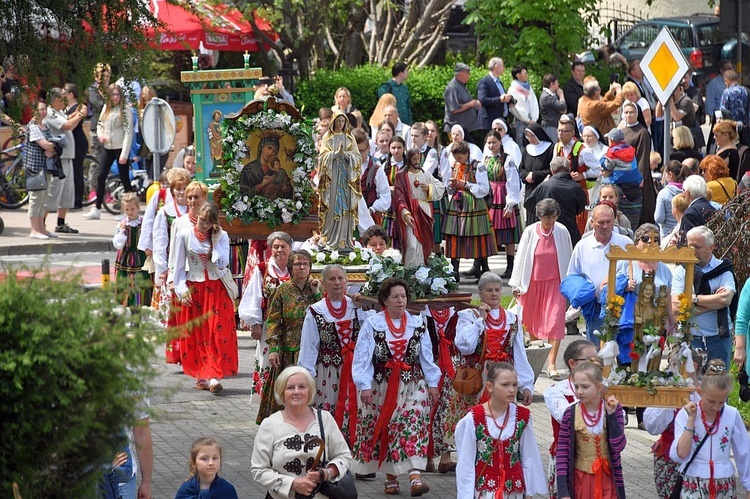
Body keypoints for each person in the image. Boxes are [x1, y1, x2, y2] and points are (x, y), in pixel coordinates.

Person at [351, 277, 440, 496]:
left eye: (403, 296)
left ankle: (415, 478)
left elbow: (427, 356)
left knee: (410, 423)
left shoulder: (418, 323)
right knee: (387, 429)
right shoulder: (373, 324)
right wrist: (363, 385)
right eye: (395, 297)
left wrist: (433, 382)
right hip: (381, 385)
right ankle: (391, 478)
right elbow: (363, 358)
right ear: (385, 301)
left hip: (412, 384)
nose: (401, 301)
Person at [251, 366, 353, 499]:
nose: (296, 392)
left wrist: (326, 473)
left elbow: (344, 456)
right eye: (290, 387)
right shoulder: (270, 425)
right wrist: (292, 484)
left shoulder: (325, 419)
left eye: (302, 387)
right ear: (281, 392)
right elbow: (258, 470)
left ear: (310, 391)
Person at [298, 265, 371, 445]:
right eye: (332, 279)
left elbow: (370, 336)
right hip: (327, 373)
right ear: (323, 284)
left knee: (358, 412)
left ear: (347, 281)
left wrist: (364, 306)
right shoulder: (315, 311)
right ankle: (329, 457)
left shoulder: (357, 307)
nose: (337, 283)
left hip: (355, 370)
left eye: (340, 278)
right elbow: (309, 346)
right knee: (328, 413)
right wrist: (305, 378)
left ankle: (357, 459)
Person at [454, 362, 547, 498]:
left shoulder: (522, 417)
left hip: (514, 491)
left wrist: (529, 492)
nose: (511, 390)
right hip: (485, 492)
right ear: (490, 387)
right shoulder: (474, 418)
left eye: (515, 385)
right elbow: (466, 462)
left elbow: (529, 456)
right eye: (505, 385)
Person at [173, 202, 238, 394]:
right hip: (195, 288)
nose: (203, 225)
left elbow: (224, 262)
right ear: (197, 217)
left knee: (217, 332)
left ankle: (213, 376)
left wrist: (215, 247)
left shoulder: (221, 236)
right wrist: (181, 290)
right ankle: (204, 375)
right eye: (201, 220)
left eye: (208, 223)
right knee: (200, 334)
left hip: (217, 287)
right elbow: (177, 266)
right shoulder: (184, 235)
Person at [510, 198, 573, 377]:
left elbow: (568, 254)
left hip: (555, 283)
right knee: (531, 322)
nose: (550, 221)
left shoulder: (561, 231)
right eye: (547, 218)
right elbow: (521, 257)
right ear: (540, 217)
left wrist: (569, 282)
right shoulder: (530, 231)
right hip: (532, 283)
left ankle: (552, 364)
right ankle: (536, 359)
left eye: (553, 217)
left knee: (555, 321)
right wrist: (516, 283)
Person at [453, 272, 535, 408]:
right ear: (480, 293)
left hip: (505, 377)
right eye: (489, 290)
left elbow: (519, 354)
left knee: (503, 420)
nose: (494, 294)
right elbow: (465, 347)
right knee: (478, 421)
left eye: (497, 290)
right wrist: (480, 320)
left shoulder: (512, 319)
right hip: (477, 379)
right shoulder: (470, 316)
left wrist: (526, 386)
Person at [258, 249, 322, 423]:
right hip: (288, 349)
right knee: (289, 387)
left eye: (305, 264)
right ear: (290, 267)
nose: (302, 267)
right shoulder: (282, 291)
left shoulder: (316, 288)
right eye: (297, 264)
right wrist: (273, 349)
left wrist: (316, 292)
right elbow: (273, 321)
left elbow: (324, 314)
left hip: (312, 349)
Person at [670, 360, 750, 498]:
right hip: (693, 482)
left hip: (724, 483)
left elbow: (744, 452)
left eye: (721, 402)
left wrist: (748, 486)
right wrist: (691, 421)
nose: (715, 407)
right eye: (711, 401)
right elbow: (681, 454)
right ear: (700, 392)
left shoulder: (731, 414)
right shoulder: (687, 413)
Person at [556, 358, 626, 499]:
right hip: (582, 478)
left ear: (599, 387)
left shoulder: (613, 409)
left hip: (608, 478)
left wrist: (611, 416)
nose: (579, 391)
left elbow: (618, 446)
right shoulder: (571, 413)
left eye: (585, 387)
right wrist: (563, 491)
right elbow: (562, 452)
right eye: (576, 387)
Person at [567, 203, 632, 345]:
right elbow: (572, 276)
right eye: (601, 222)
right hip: (595, 309)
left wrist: (625, 285)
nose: (605, 226)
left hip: (622, 308)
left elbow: (634, 273)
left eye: (609, 222)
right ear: (592, 223)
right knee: (596, 356)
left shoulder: (626, 243)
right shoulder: (582, 246)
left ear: (614, 220)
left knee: (623, 355)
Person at [672, 226, 736, 367]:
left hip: (717, 339)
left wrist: (692, 299)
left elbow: (725, 299)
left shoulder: (723, 270)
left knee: (717, 385)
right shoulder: (681, 271)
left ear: (711, 247)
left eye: (698, 246)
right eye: (690, 246)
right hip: (690, 337)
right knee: (690, 385)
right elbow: (676, 307)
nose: (693, 250)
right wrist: (713, 302)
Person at [642, 347, 702, 499]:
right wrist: (669, 399)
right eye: (670, 365)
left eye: (675, 365)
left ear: (692, 366)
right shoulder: (664, 389)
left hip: (697, 459)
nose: (670, 370)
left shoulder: (703, 393)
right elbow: (652, 427)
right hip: (667, 460)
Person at [239, 231, 293, 396]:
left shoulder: (297, 268)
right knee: (268, 361)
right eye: (275, 247)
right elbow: (254, 295)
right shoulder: (263, 269)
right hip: (269, 325)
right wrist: (255, 323)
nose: (279, 250)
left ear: (290, 248)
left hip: (293, 326)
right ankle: (267, 400)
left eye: (283, 246)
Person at [543, 339, 598, 499]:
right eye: (589, 360)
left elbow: (618, 419)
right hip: (566, 460)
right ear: (572, 364)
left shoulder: (603, 388)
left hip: (597, 461)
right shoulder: (555, 392)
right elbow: (565, 417)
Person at [152, 169, 191, 362]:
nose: (182, 193)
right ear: (173, 191)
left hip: (192, 266)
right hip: (173, 265)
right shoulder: (165, 212)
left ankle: (191, 349)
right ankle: (178, 351)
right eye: (178, 189)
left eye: (185, 188)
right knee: (176, 309)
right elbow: (160, 241)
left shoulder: (196, 211)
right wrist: (162, 269)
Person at [443, 141, 497, 280]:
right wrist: (451, 186)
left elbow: (484, 189)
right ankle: (454, 270)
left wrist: (465, 184)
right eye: (456, 158)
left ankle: (484, 269)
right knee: (454, 234)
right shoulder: (454, 165)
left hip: (474, 205)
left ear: (467, 153)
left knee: (478, 235)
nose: (458, 161)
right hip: (457, 203)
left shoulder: (478, 166)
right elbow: (449, 187)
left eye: (460, 158)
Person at [85, 83, 134, 220]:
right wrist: (101, 135)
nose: (115, 97)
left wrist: (124, 154)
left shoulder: (125, 110)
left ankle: (128, 210)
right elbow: (100, 123)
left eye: (117, 94)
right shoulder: (107, 107)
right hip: (108, 147)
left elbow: (128, 133)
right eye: (112, 94)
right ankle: (97, 208)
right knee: (101, 176)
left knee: (125, 179)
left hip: (120, 147)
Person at [392, 147, 445, 268]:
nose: (416, 161)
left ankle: (422, 271)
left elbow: (441, 187)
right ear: (409, 159)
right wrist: (405, 213)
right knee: (411, 243)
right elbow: (399, 197)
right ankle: (410, 271)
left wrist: (429, 188)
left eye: (418, 159)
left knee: (424, 243)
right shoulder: (401, 175)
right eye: (414, 159)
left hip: (424, 211)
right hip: (409, 211)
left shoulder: (425, 174)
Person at [317, 111, 362, 252]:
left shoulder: (349, 138)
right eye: (338, 121)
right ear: (334, 122)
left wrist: (347, 155)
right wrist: (335, 154)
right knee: (331, 206)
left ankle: (343, 240)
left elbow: (358, 157)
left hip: (346, 178)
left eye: (343, 121)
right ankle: (329, 238)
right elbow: (321, 158)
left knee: (345, 207)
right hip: (332, 177)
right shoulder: (328, 137)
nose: (341, 124)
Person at [44, 87, 82, 234]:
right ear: (57, 99)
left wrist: (75, 114)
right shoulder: (50, 112)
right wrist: (79, 114)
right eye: (63, 97)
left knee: (67, 191)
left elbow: (68, 121)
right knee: (54, 191)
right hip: (58, 158)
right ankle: (42, 223)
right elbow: (67, 125)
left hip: (67, 156)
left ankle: (61, 223)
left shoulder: (59, 112)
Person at [484, 130, 521, 277]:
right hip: (489, 196)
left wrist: (510, 204)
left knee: (507, 233)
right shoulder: (485, 159)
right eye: (489, 142)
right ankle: (481, 265)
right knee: (486, 230)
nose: (491, 145)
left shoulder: (507, 159)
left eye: (494, 142)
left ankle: (510, 266)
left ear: (500, 143)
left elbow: (513, 182)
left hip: (503, 195)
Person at [527, 154, 587, 245]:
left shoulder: (544, 186)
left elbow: (529, 204)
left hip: (547, 233)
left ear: (552, 170)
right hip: (569, 233)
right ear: (569, 169)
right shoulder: (576, 187)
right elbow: (581, 208)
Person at [24, 101, 56, 240]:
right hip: (35, 168)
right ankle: (34, 230)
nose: (43, 112)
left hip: (46, 167)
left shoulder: (45, 125)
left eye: (45, 109)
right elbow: (45, 144)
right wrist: (52, 146)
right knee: (36, 199)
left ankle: (42, 229)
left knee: (44, 198)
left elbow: (53, 143)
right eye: (40, 109)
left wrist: (52, 146)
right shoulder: (33, 126)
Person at [601, 126, 644, 229]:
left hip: (619, 178)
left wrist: (602, 160)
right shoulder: (630, 150)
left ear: (611, 140)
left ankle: (593, 204)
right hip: (634, 180)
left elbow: (608, 166)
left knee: (604, 184)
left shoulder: (612, 152)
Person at [621, 101, 655, 225]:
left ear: (637, 114)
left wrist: (640, 178)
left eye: (632, 112)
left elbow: (642, 156)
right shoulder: (622, 131)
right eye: (626, 112)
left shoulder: (642, 132)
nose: (629, 115)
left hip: (638, 177)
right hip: (624, 175)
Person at [113, 193, 150, 307]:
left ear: (138, 208)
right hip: (125, 257)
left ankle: (139, 305)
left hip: (140, 256)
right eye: (127, 209)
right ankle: (126, 304)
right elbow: (117, 244)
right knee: (125, 282)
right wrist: (122, 232)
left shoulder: (144, 223)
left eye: (132, 209)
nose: (130, 212)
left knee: (140, 282)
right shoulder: (122, 224)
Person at [174, 437, 238, 499]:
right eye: (204, 459)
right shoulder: (186, 490)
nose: (211, 463)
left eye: (215, 458)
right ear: (194, 463)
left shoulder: (226, 490)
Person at [354, 128, 390, 226]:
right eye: (354, 151)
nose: (358, 154)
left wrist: (372, 209)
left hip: (369, 221)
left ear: (368, 148)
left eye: (361, 151)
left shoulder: (376, 169)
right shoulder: (344, 168)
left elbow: (386, 196)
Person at [519, 123, 554, 222]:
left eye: (532, 136)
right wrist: (526, 176)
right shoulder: (527, 149)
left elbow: (551, 170)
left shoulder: (549, 148)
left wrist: (534, 175)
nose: (530, 138)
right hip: (529, 189)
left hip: (543, 188)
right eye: (527, 136)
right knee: (530, 217)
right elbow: (521, 169)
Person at [63, 83, 88, 211]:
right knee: (69, 172)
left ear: (71, 94)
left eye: (64, 92)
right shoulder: (65, 108)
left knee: (77, 171)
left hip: (78, 141)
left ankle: (78, 201)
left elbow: (70, 125)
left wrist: (70, 117)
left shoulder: (80, 107)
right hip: (67, 142)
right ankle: (69, 199)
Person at [654, 160, 690, 239]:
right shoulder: (688, 192)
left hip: (667, 235)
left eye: (665, 174)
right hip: (685, 233)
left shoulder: (663, 194)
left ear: (670, 174)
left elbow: (659, 218)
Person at [476, 57, 512, 132]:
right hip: (490, 122)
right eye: (502, 66)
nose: (504, 68)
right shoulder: (484, 82)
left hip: (501, 121)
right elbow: (482, 100)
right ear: (496, 67)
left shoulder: (499, 82)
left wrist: (508, 102)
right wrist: (500, 99)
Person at [443, 63, 480, 134]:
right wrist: (470, 104)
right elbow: (454, 109)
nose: (469, 75)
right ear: (462, 74)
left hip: (465, 129)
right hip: (455, 130)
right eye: (468, 73)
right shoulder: (453, 87)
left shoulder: (462, 85)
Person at [679, 175, 717, 240]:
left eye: (683, 191)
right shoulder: (712, 208)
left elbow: (690, 242)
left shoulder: (690, 213)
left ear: (687, 193)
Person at [578, 125, 607, 204]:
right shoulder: (579, 148)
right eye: (584, 136)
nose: (586, 138)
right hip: (582, 184)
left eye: (589, 136)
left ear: (597, 136)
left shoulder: (605, 150)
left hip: (598, 184)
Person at [540, 73, 567, 141]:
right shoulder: (547, 97)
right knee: (552, 146)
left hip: (554, 125)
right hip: (550, 126)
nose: (558, 84)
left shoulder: (552, 95)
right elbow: (562, 107)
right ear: (552, 84)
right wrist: (561, 95)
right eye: (557, 82)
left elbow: (563, 110)